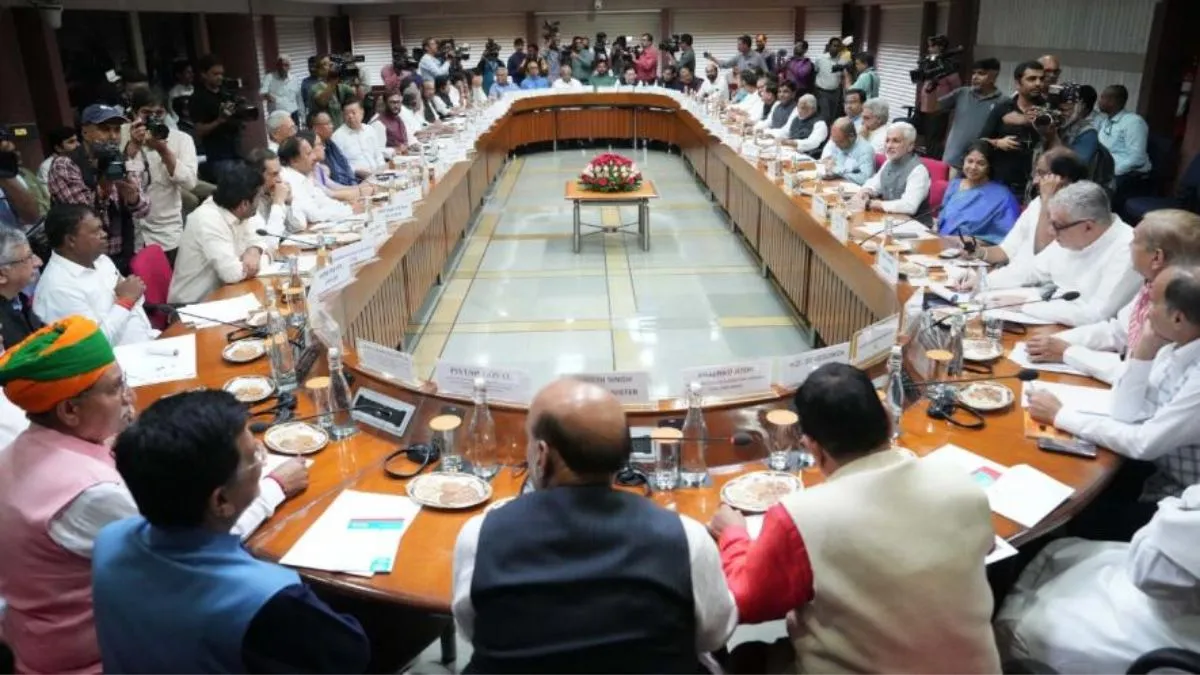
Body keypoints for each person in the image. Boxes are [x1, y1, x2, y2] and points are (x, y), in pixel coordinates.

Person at [0, 316, 309, 674]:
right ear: (70, 410)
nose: (129, 396)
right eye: (116, 388)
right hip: (96, 657)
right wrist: (274, 487)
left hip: (36, 633)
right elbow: (197, 542)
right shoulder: (89, 493)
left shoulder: (21, 450)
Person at [710, 363, 999, 673]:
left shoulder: (801, 516)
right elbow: (986, 546)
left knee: (746, 656)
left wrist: (733, 535)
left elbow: (746, 602)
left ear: (813, 447)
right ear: (888, 419)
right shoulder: (957, 481)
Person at [452, 378, 737, 672]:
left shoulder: (480, 536)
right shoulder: (687, 539)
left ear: (542, 455)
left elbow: (471, 631)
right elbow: (715, 634)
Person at [91, 389, 370, 672]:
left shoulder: (109, 540)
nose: (261, 462)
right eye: (254, 457)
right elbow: (351, 655)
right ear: (221, 501)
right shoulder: (266, 598)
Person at [1027, 263, 1200, 531]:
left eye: (1152, 303)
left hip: (1183, 509)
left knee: (1061, 518)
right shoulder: (1175, 345)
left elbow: (1145, 443)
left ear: (1178, 319)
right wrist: (1144, 351)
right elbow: (1125, 412)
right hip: (1155, 473)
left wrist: (1060, 415)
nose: (1145, 312)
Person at [995, 478, 1200, 674]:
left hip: (1165, 631)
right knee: (1063, 555)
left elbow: (1150, 572)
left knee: (1023, 619)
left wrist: (1171, 511)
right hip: (1172, 604)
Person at [1026, 209, 1200, 384]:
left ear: (1156, 257)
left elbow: (1144, 376)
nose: (1128, 245)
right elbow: (1118, 331)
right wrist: (1055, 341)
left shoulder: (1183, 309)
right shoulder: (1151, 286)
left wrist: (1068, 352)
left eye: (1135, 240)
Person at [969, 180, 1141, 327]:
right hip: (1050, 318)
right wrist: (983, 282)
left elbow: (1096, 315)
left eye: (1057, 226)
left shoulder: (1128, 249)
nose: (1050, 232)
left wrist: (1026, 305)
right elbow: (1031, 270)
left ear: (1088, 226)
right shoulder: (1071, 232)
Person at [46, 104, 150, 275]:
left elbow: (144, 210)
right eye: (104, 129)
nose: (112, 136)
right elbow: (82, 218)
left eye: (116, 130)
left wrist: (133, 198)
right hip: (83, 263)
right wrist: (104, 187)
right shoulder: (65, 164)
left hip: (122, 255)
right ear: (85, 132)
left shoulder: (121, 160)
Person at [35, 205, 157, 346]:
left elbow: (136, 296)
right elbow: (93, 345)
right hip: (120, 357)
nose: (104, 234)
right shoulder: (58, 288)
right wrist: (125, 301)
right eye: (96, 231)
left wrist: (130, 295)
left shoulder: (101, 260)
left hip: (148, 341)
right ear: (71, 240)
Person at [167, 165, 268, 304]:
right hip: (192, 306)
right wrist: (262, 259)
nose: (260, 202)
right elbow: (232, 274)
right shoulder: (207, 220)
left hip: (223, 296)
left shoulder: (237, 210)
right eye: (259, 198)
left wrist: (254, 251)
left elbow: (259, 239)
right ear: (244, 204)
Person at [977, 147, 1090, 268]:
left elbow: (1042, 252)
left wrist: (1047, 200)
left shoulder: (1079, 212)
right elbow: (1006, 250)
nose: (1035, 181)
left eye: (1041, 174)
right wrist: (976, 252)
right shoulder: (1036, 204)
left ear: (1062, 179)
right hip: (1012, 273)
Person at [124, 89, 199, 263]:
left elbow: (190, 183)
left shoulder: (181, 140)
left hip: (167, 233)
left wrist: (164, 151)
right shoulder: (121, 135)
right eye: (146, 113)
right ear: (134, 113)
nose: (153, 118)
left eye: (159, 113)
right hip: (132, 235)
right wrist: (133, 146)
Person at [982, 60, 1046, 199]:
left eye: (1041, 79)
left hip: (1035, 187)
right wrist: (997, 143)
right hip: (999, 184)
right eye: (1032, 79)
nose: (1038, 83)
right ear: (1017, 83)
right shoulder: (1002, 108)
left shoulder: (1049, 110)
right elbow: (981, 141)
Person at [936, 141, 1021, 244]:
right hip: (940, 242)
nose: (973, 167)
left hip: (971, 249)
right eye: (970, 161)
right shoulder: (954, 185)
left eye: (981, 163)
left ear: (989, 166)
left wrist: (969, 242)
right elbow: (942, 219)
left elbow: (1007, 240)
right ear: (963, 161)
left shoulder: (1002, 197)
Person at [939, 58, 1004, 176]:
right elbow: (934, 107)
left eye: (981, 73)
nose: (975, 77)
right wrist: (932, 86)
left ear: (994, 76)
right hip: (952, 161)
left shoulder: (1003, 101)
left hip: (979, 166)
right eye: (974, 73)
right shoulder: (962, 93)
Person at [277, 135, 354, 230]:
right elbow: (314, 215)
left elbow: (323, 201)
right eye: (309, 154)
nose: (314, 157)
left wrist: (348, 208)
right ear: (294, 161)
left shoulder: (305, 175)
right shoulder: (287, 178)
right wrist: (350, 210)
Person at [861, 122, 932, 223]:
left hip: (914, 225)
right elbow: (875, 184)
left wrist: (877, 204)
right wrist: (866, 191)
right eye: (887, 140)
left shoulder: (919, 171)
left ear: (910, 146)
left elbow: (909, 206)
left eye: (895, 141)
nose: (889, 146)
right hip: (889, 219)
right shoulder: (889, 162)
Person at [189, 55, 244, 180]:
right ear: (204, 74)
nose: (220, 77)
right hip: (218, 155)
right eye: (215, 74)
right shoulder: (197, 99)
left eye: (221, 74)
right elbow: (199, 131)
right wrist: (219, 120)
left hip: (237, 150)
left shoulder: (226, 94)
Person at [1097, 84, 1152, 211]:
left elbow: (1137, 158)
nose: (1099, 101)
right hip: (1109, 170)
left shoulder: (1134, 122)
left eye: (1103, 97)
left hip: (1129, 175)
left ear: (1113, 101)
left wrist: (1110, 172)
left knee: (1098, 195)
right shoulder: (1106, 121)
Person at [916, 35, 963, 158]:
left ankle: (934, 162)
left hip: (938, 110)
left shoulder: (948, 66)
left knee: (934, 140)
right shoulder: (929, 63)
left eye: (932, 46)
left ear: (941, 47)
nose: (929, 49)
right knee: (926, 138)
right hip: (925, 108)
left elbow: (957, 89)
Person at [0, 226, 43, 347]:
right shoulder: (4, 331)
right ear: (1, 275)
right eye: (27, 258)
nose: (38, 262)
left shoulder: (20, 298)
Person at [332, 99, 387, 181]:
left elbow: (378, 156)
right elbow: (339, 165)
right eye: (346, 114)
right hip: (356, 180)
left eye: (353, 113)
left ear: (362, 112)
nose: (350, 116)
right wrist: (356, 172)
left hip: (379, 175)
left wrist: (382, 171)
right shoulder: (337, 137)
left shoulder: (370, 130)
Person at [310, 54, 366, 131]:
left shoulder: (341, 87)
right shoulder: (315, 88)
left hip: (341, 131)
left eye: (330, 63)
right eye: (325, 64)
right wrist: (334, 79)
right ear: (319, 70)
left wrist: (357, 81)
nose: (330, 65)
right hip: (325, 132)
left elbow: (360, 98)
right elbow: (322, 102)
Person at [820, 117, 879, 186]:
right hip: (837, 184)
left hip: (855, 188)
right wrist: (829, 166)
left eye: (840, 142)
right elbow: (833, 163)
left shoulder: (865, 150)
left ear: (851, 136)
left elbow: (865, 178)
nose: (836, 146)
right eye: (834, 141)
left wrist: (838, 172)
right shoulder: (838, 142)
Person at [310, 111, 357, 186]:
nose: (332, 126)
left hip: (350, 185)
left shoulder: (330, 143)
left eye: (331, 123)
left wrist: (354, 184)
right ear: (316, 128)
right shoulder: (313, 150)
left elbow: (345, 164)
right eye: (328, 124)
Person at [813, 37, 850, 124]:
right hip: (822, 92)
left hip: (836, 92)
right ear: (829, 46)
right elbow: (815, 72)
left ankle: (830, 132)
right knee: (825, 116)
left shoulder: (843, 61)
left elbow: (844, 77)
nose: (836, 48)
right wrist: (814, 90)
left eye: (838, 46)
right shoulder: (820, 58)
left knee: (833, 117)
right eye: (834, 46)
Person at [260, 54, 302, 126]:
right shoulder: (269, 78)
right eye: (280, 65)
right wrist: (268, 96)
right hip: (277, 116)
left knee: (295, 132)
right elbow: (262, 93)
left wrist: (302, 116)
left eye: (286, 65)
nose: (283, 67)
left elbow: (299, 98)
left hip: (293, 114)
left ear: (290, 67)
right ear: (277, 66)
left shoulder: (294, 79)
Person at [166, 59, 194, 128]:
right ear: (178, 75)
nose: (192, 75)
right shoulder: (174, 93)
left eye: (192, 72)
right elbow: (173, 113)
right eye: (188, 72)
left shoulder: (195, 89)